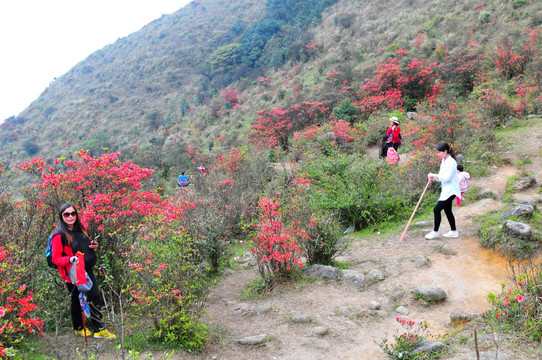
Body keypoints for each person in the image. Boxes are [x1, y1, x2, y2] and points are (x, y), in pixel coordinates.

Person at [51, 203, 116, 338]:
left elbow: (84, 246)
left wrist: (94, 246)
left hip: (86, 268)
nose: (70, 216)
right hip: (73, 272)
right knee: (77, 299)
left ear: (76, 215)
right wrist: (69, 259)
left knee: (94, 296)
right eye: (66, 214)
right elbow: (55, 258)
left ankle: (98, 329)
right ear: (61, 216)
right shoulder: (59, 235)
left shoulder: (80, 229)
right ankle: (80, 328)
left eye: (73, 213)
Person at [425, 142, 461, 239]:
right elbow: (441, 176)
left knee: (436, 209)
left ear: (445, 151)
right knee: (448, 210)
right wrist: (434, 177)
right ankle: (454, 231)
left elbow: (447, 178)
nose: (438, 154)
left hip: (451, 190)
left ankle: (435, 232)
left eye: (440, 152)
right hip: (446, 189)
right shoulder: (444, 161)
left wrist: (434, 175)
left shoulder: (452, 162)